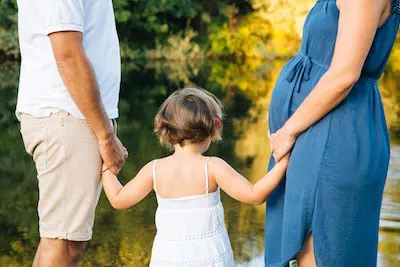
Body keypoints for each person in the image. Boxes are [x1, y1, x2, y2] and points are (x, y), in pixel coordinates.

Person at [266, 0, 399, 266]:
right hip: (316, 132)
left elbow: (344, 75)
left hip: (333, 135)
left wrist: (288, 131)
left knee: (323, 251)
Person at [101, 88, 290, 266]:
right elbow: (255, 195)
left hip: (168, 259)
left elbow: (118, 200)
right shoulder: (212, 167)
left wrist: (106, 168)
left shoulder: (155, 169)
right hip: (209, 257)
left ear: (164, 127)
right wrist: (282, 162)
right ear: (213, 127)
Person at [16, 0, 128, 266]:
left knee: (60, 240)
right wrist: (106, 135)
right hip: (67, 114)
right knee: (64, 244)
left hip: (69, 114)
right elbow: (67, 56)